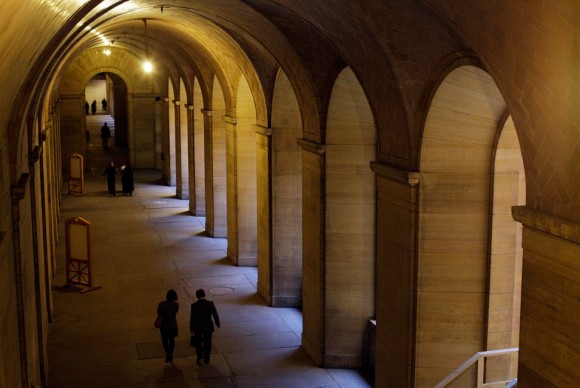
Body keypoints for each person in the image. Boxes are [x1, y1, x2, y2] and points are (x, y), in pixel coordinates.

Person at [190, 288, 220, 364]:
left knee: (198, 342)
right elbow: (215, 314)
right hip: (208, 326)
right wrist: (217, 323)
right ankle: (207, 358)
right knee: (208, 342)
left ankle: (199, 356)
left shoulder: (194, 306)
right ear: (204, 295)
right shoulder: (210, 304)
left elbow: (192, 318)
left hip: (198, 327)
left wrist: (191, 328)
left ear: (197, 296)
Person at [157, 289, 179, 363]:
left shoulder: (161, 304)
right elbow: (175, 312)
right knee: (172, 340)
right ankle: (170, 354)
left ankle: (168, 354)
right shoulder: (176, 305)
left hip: (164, 325)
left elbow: (158, 312)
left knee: (164, 341)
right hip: (172, 325)